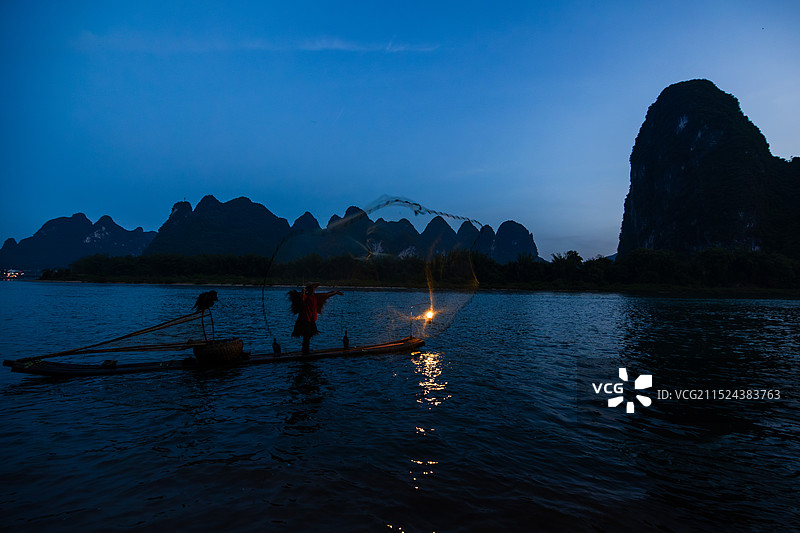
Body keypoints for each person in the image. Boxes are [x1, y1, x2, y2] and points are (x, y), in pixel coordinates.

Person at [288, 283, 343, 354]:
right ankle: (305, 351)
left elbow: (326, 295)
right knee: (306, 336)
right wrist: (303, 292)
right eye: (312, 289)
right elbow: (302, 298)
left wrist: (335, 293)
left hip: (311, 319)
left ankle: (305, 350)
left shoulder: (315, 296)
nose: (313, 290)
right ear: (309, 290)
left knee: (308, 336)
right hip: (304, 319)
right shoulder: (306, 296)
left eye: (314, 289)